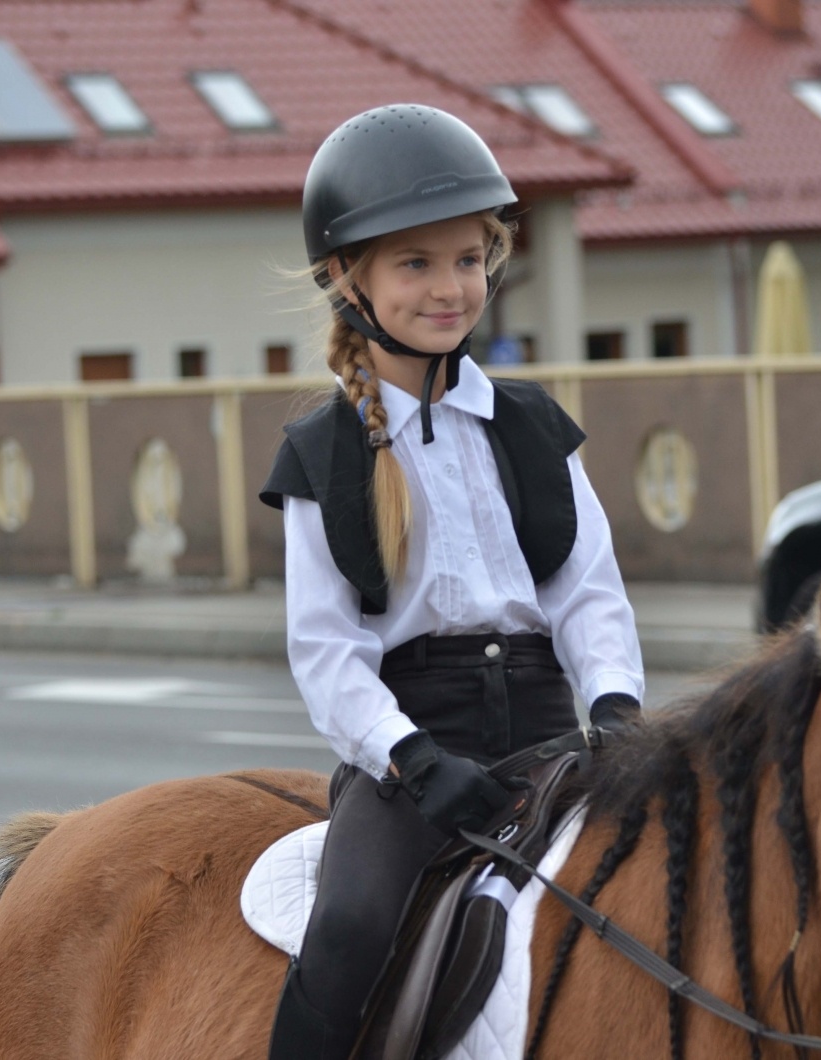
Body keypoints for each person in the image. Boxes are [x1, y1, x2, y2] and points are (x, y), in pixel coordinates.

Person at [258, 104, 645, 1060]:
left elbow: (588, 592)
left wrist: (619, 712)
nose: (451, 287)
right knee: (348, 930)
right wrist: (414, 762)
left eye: (469, 259)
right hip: (411, 754)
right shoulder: (326, 452)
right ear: (350, 280)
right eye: (416, 264)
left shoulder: (531, 426)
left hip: (552, 729)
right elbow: (327, 651)